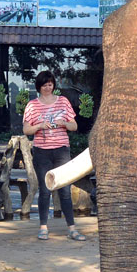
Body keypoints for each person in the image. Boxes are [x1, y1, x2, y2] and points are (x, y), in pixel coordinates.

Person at [22, 70, 86, 242]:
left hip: (61, 150)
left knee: (65, 190)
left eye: (50, 84)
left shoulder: (63, 102)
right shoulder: (32, 105)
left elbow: (74, 126)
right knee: (45, 190)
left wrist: (63, 123)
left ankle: (72, 229)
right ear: (39, 87)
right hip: (42, 152)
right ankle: (43, 227)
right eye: (44, 85)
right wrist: (40, 126)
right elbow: (26, 130)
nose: (48, 88)